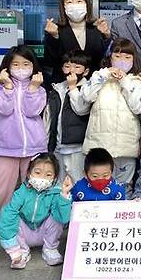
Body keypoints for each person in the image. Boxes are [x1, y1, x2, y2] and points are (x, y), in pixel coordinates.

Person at [0, 45, 47, 227]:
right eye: (15, 64)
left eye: (25, 63)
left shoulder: (39, 89)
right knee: (0, 189)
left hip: (34, 146)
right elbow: (4, 109)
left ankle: (32, 222)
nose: (21, 68)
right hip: (7, 147)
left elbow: (32, 111)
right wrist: (7, 87)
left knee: (35, 186)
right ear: (7, 67)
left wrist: (32, 88)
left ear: (33, 66)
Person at [81, 38, 141, 193]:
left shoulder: (136, 82)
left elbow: (138, 107)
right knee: (96, 187)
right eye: (117, 56)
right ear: (110, 57)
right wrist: (104, 74)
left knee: (123, 190)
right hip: (99, 146)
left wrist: (124, 81)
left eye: (127, 57)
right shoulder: (99, 77)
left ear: (134, 60)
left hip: (126, 146)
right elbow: (87, 96)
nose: (122, 61)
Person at [0, 153, 73, 269]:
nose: (42, 178)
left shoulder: (55, 193)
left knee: (55, 219)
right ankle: (22, 251)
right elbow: (7, 216)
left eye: (48, 175)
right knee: (13, 216)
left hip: (43, 232)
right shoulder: (21, 192)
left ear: (54, 178)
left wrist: (64, 195)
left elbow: (63, 218)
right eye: (37, 173)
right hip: (24, 234)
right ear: (29, 173)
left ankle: (50, 249)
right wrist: (12, 249)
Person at [43, 0, 110, 83]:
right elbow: (51, 62)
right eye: (69, 2)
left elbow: (102, 59)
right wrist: (54, 37)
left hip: (93, 86)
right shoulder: (56, 29)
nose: (75, 5)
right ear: (63, 6)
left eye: (79, 1)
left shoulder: (96, 28)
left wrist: (106, 36)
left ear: (87, 4)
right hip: (64, 86)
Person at [44, 50, 92, 183]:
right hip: (58, 146)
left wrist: (73, 88)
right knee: (58, 183)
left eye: (77, 67)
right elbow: (49, 118)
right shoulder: (57, 89)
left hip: (78, 147)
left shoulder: (87, 88)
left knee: (78, 181)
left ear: (86, 71)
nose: (71, 70)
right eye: (67, 66)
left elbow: (81, 109)